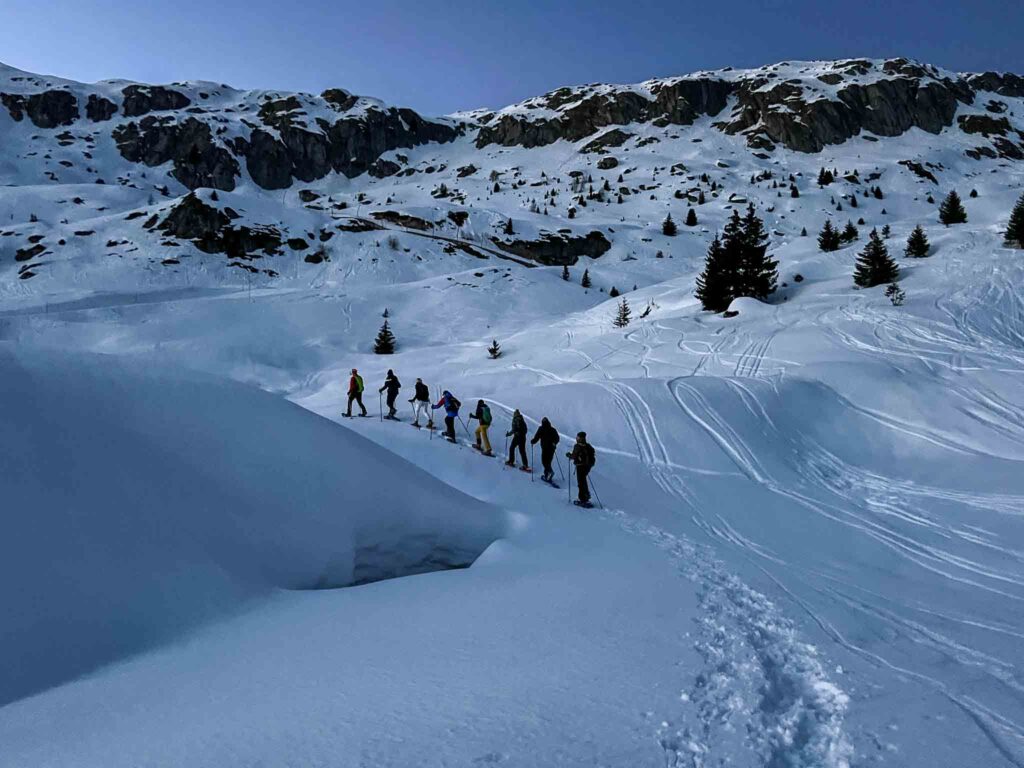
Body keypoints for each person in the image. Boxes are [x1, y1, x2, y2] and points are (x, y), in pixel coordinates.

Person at [567, 432, 596, 507]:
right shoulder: (588, 445)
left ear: (579, 438)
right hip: (588, 466)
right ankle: (586, 496)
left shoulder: (577, 446)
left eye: (577, 437)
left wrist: (569, 455)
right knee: (583, 480)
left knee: (581, 482)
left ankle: (583, 498)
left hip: (580, 466)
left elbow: (574, 456)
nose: (576, 438)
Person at [530, 417, 560, 482]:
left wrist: (533, 441)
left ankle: (549, 473)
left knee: (544, 462)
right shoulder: (552, 429)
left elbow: (537, 437)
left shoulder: (541, 429)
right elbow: (557, 438)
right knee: (548, 461)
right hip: (551, 448)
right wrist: (554, 443)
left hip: (545, 448)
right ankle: (547, 475)